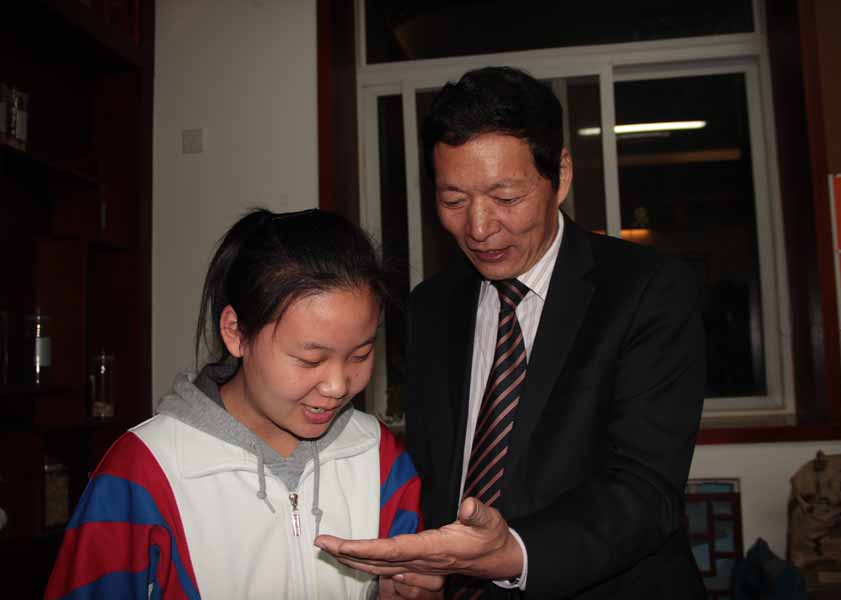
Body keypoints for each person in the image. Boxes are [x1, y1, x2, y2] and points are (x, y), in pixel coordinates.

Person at [315, 66, 707, 599]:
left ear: (560, 175)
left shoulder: (646, 291)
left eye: (506, 197)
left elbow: (646, 489)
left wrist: (515, 553)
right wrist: (420, 566)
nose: (478, 228)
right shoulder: (430, 307)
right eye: (453, 201)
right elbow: (437, 472)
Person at [45, 209, 442, 599]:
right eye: (310, 360)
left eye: (360, 355)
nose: (338, 386)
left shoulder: (378, 456)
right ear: (235, 333)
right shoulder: (143, 471)